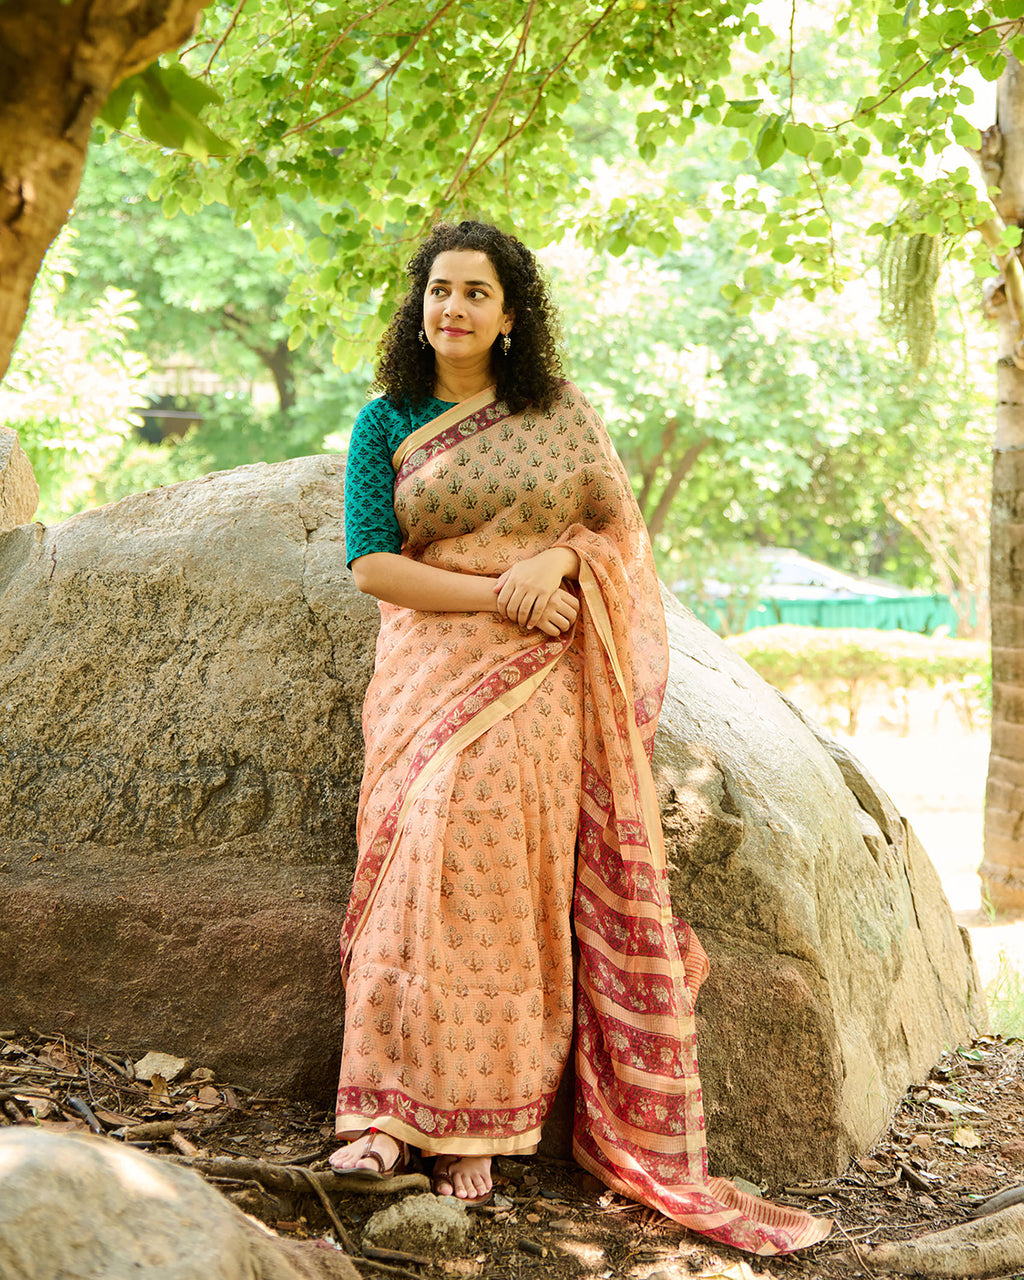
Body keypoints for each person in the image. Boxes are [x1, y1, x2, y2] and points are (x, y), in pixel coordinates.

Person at [328, 220, 830, 1255]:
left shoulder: (557, 414)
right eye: (438, 290)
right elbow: (372, 566)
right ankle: (382, 1112)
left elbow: (613, 534)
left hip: (542, 681)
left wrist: (553, 569)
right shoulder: (382, 423)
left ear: (512, 315)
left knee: (506, 882)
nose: (453, 308)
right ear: (417, 306)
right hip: (431, 667)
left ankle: (479, 1132)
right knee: (414, 861)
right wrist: (495, 594)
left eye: (476, 292)